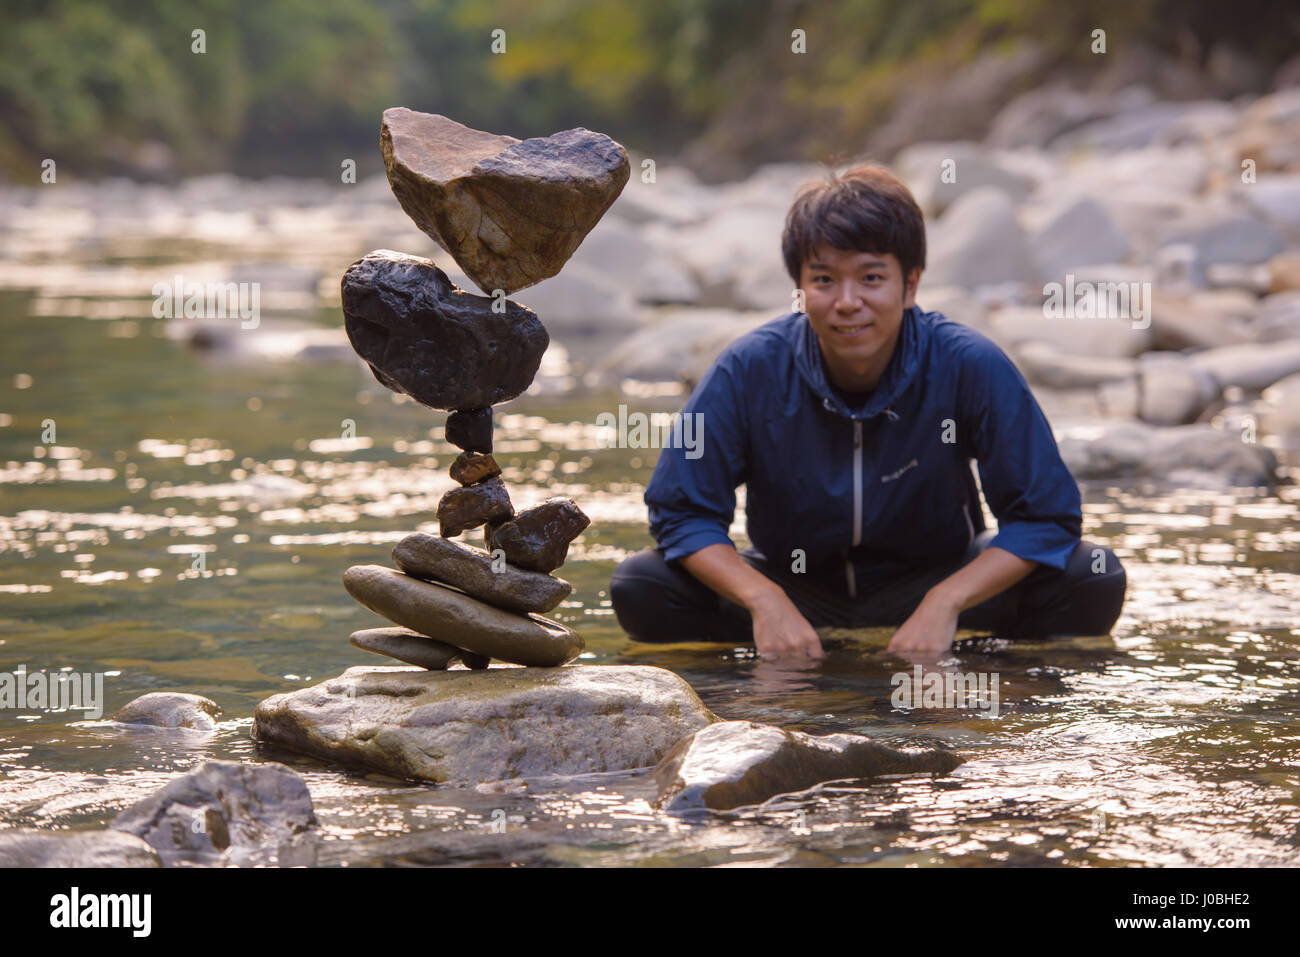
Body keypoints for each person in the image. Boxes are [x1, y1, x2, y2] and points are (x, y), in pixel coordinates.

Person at [609, 165, 1127, 661]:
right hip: (797, 587)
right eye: (825, 280)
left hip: (936, 578)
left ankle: (1002, 685)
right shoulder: (750, 369)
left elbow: (1046, 516)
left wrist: (945, 603)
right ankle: (744, 689)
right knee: (643, 585)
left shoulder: (969, 365)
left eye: (872, 277)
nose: (848, 301)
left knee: (1091, 576)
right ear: (800, 289)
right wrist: (762, 600)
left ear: (911, 286)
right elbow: (681, 511)